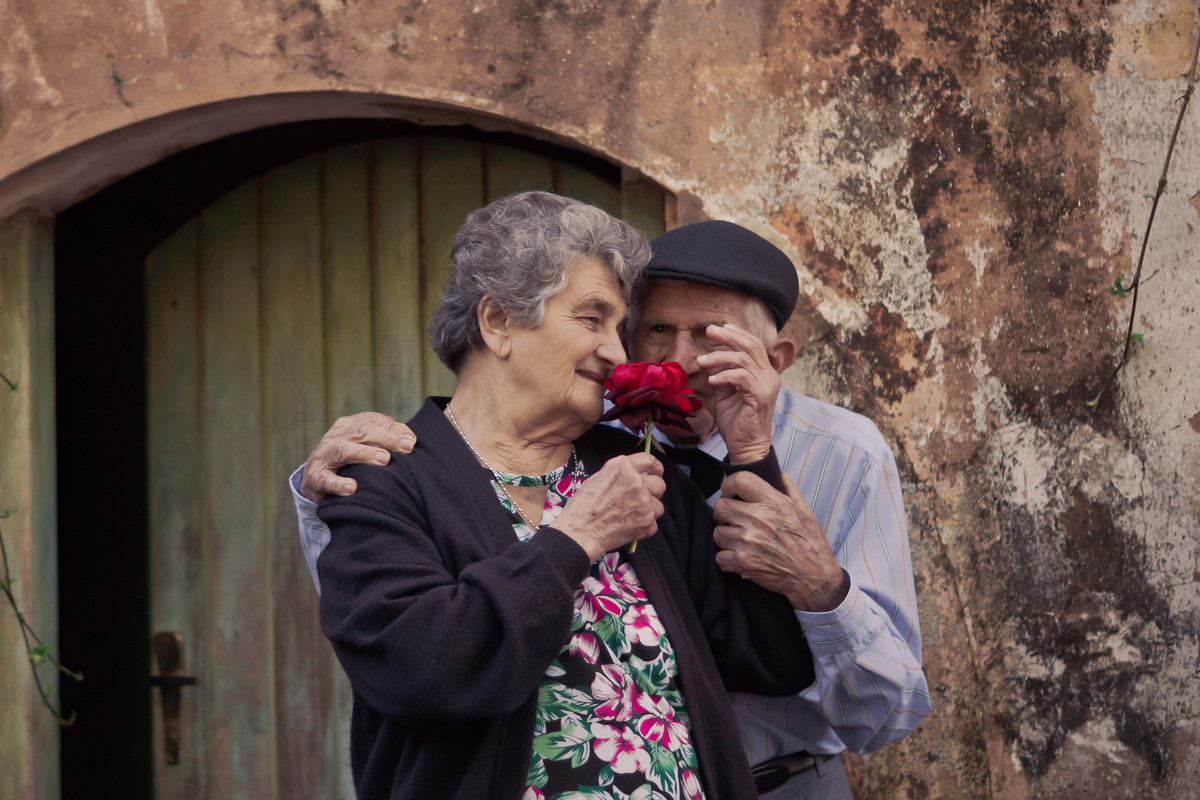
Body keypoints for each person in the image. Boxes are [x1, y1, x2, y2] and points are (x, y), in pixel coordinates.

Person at [296, 220, 930, 799]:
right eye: (621, 325)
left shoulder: (623, 463)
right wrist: (577, 535)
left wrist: (764, 479)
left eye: (713, 339)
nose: (632, 358)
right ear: (496, 323)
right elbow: (409, 655)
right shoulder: (395, 473)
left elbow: (770, 654)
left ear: (776, 360)